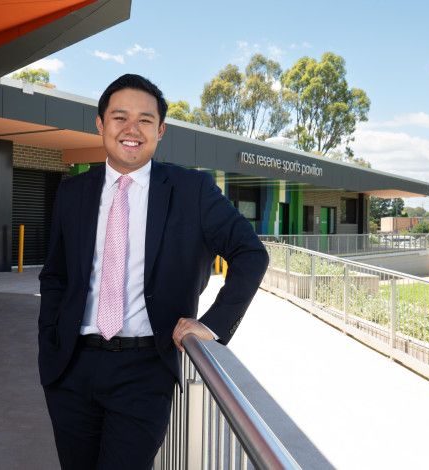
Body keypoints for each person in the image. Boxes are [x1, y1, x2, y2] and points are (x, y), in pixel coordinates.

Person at [38, 74, 268, 470]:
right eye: (119, 117)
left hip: (143, 371)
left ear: (160, 130)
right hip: (71, 369)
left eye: (145, 120)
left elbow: (250, 253)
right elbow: (56, 275)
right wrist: (50, 344)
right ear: (101, 124)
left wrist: (212, 325)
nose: (131, 129)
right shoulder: (73, 192)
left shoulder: (192, 190)